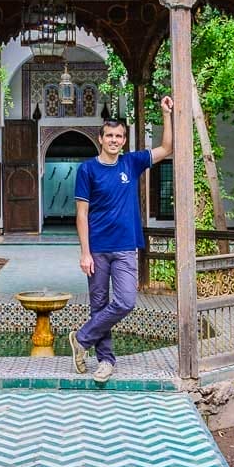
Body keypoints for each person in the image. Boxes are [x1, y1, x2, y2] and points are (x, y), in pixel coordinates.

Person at [69, 96, 173, 382]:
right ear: (100, 139)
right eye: (110, 135)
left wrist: (166, 114)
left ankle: (81, 338)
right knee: (99, 305)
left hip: (126, 247)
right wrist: (85, 253)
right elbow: (81, 214)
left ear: (124, 141)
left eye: (119, 136)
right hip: (98, 249)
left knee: (126, 301)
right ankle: (105, 361)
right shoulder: (87, 170)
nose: (114, 140)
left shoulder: (132, 163)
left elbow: (166, 148)